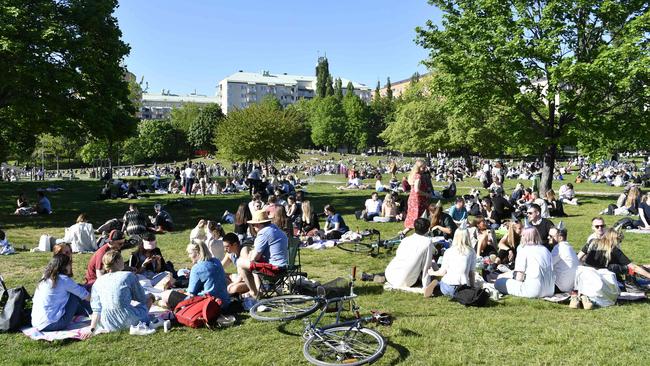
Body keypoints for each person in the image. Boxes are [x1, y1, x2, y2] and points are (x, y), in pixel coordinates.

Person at [86, 250, 155, 335]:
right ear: (118, 261)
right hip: (129, 319)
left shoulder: (98, 281)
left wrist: (92, 329)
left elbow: (96, 309)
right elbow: (141, 298)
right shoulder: (128, 275)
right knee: (149, 298)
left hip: (108, 323)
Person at [31, 254, 91, 331]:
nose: (71, 266)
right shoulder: (64, 280)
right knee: (76, 293)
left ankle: (86, 312)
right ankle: (94, 313)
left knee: (75, 291)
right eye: (69, 264)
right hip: (53, 324)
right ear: (64, 266)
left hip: (36, 323)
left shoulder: (45, 278)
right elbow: (86, 296)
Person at [237, 210, 288, 299]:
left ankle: (254, 293)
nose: (253, 227)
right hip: (284, 266)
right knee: (250, 260)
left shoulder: (263, 233)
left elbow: (254, 258)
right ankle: (258, 289)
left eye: (253, 225)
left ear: (258, 224)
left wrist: (250, 254)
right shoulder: (275, 229)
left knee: (240, 262)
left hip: (275, 269)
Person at [494, 228, 555, 298]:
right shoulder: (545, 250)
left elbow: (519, 277)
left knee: (498, 282)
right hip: (550, 290)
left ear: (526, 237)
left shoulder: (523, 250)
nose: (521, 238)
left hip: (534, 291)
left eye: (522, 236)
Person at [425, 225, 477, 298]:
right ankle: (439, 287)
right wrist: (472, 287)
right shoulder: (471, 252)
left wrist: (432, 272)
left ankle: (437, 285)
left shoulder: (449, 251)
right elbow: (471, 273)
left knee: (443, 283)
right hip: (463, 287)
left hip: (448, 285)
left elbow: (442, 272)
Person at [385, 218, 435, 289]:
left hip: (389, 273)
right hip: (407, 280)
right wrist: (426, 286)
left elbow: (398, 255)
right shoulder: (427, 242)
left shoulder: (405, 239)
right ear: (428, 229)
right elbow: (426, 265)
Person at [185, 240, 231, 309]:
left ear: (198, 253)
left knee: (167, 296)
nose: (189, 256)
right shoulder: (216, 261)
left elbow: (191, 293)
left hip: (209, 305)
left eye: (190, 253)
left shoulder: (197, 268)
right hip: (225, 301)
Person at [402, 160, 431, 234]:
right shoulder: (418, 176)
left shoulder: (413, 175)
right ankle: (421, 233)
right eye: (423, 168)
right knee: (421, 218)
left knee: (415, 217)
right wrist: (426, 194)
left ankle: (404, 232)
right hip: (418, 200)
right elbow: (417, 190)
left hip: (413, 199)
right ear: (418, 167)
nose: (424, 169)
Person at [549, 226, 579, 293]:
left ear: (560, 238)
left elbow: (547, 265)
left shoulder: (558, 248)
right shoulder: (569, 247)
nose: (548, 237)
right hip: (571, 286)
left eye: (551, 236)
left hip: (560, 286)